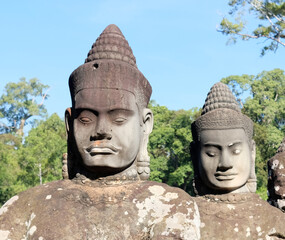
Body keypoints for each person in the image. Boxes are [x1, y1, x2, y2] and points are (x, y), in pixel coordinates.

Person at [0, 24, 200, 240]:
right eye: (86, 119)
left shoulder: (169, 206)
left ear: (145, 123)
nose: (101, 132)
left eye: (119, 119)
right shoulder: (25, 207)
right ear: (70, 123)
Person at [191, 82, 285, 239]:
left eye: (235, 151)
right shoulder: (184, 216)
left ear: (251, 152)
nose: (225, 164)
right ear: (194, 156)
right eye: (212, 153)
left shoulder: (275, 219)